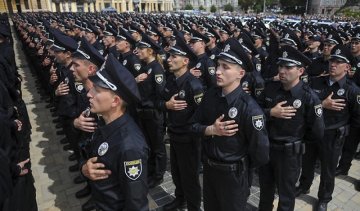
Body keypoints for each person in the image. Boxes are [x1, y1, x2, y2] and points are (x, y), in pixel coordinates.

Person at [191, 38, 269, 211]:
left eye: (225, 67)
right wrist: (210, 130)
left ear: (241, 73)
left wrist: (243, 168)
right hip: (210, 171)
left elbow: (261, 153)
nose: (218, 71)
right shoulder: (211, 95)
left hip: (234, 175)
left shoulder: (250, 109)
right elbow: (192, 126)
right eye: (218, 65)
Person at [257, 45, 324, 211]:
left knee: (286, 195)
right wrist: (270, 112)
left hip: (289, 154)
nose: (282, 71)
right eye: (281, 66)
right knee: (265, 188)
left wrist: (297, 141)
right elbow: (255, 113)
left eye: (288, 67)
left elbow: (316, 131)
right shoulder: (271, 88)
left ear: (300, 71)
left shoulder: (309, 97)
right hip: (267, 148)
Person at [81, 54, 149, 210]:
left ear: (115, 101)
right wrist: (84, 168)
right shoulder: (103, 122)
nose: (89, 94)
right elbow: (91, 154)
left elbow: (136, 205)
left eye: (96, 90)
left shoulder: (130, 146)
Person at [296, 45, 360, 211]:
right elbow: (303, 103)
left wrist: (347, 144)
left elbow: (356, 119)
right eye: (332, 60)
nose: (333, 64)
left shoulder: (352, 91)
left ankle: (324, 198)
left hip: (333, 137)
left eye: (338, 62)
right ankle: (304, 185)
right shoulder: (315, 81)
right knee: (307, 163)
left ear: (347, 67)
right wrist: (322, 104)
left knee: (328, 170)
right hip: (312, 133)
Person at [161, 37, 204, 211]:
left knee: (190, 177)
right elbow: (161, 100)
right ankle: (180, 199)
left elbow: (200, 117)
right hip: (174, 135)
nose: (169, 60)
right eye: (169, 56)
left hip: (189, 140)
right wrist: (167, 105)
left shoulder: (194, 86)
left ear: (185, 61)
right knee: (177, 174)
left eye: (174, 57)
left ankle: (193, 206)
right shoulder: (171, 80)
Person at [135, 34, 167, 188]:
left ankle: (159, 174)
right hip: (144, 112)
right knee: (149, 144)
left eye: (141, 49)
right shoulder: (145, 67)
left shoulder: (157, 69)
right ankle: (152, 169)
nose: (138, 51)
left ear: (150, 51)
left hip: (153, 113)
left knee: (158, 146)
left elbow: (160, 95)